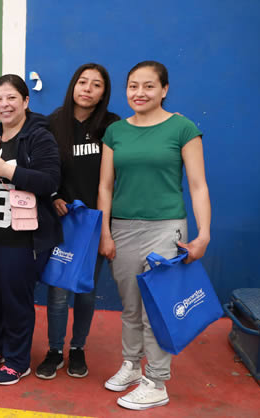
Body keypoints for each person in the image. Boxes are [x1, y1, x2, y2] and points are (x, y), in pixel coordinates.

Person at [97, 61, 211, 410]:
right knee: (130, 307)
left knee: (156, 310)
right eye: (133, 86)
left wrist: (203, 234)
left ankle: (157, 381)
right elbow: (105, 186)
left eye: (148, 86)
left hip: (166, 229)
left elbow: (197, 185)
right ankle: (132, 366)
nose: (139, 93)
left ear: (164, 89)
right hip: (124, 228)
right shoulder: (116, 131)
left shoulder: (182, 128)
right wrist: (105, 232)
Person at [0, 74, 62, 386]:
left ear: (26, 101)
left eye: (11, 98)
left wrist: (9, 170)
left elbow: (50, 181)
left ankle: (17, 360)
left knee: (16, 298)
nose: (4, 104)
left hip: (22, 238)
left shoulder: (39, 136)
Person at [35, 64, 120, 380]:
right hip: (62, 221)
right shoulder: (54, 123)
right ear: (73, 85)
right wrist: (54, 196)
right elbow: (44, 169)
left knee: (85, 290)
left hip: (95, 222)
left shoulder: (111, 126)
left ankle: (78, 348)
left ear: (103, 93)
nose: (88, 88)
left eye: (96, 85)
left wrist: (106, 225)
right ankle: (55, 350)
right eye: (83, 82)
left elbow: (112, 179)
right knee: (58, 291)